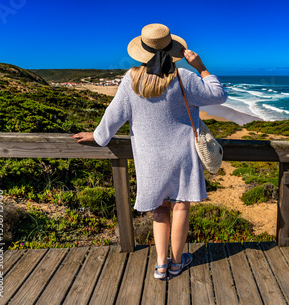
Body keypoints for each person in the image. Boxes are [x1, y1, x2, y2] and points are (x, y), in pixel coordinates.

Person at [72, 23, 227, 279]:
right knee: (180, 206)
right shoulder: (184, 78)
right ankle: (177, 263)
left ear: (141, 51)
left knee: (159, 208)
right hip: (182, 154)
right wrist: (201, 67)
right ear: (174, 50)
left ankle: (160, 264)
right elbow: (218, 95)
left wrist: (98, 136)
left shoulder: (131, 78)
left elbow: (114, 115)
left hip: (148, 157)